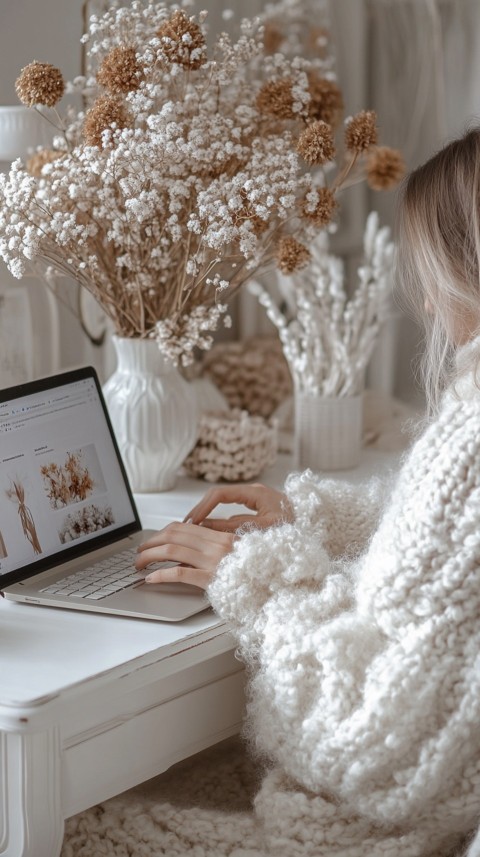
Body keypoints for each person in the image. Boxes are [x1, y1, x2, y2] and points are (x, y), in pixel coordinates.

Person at [135, 128, 480, 857]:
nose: (420, 294)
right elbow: (449, 560)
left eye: (428, 268)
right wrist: (312, 514)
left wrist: (249, 576)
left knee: (73, 822)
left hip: (381, 830)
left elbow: (374, 739)